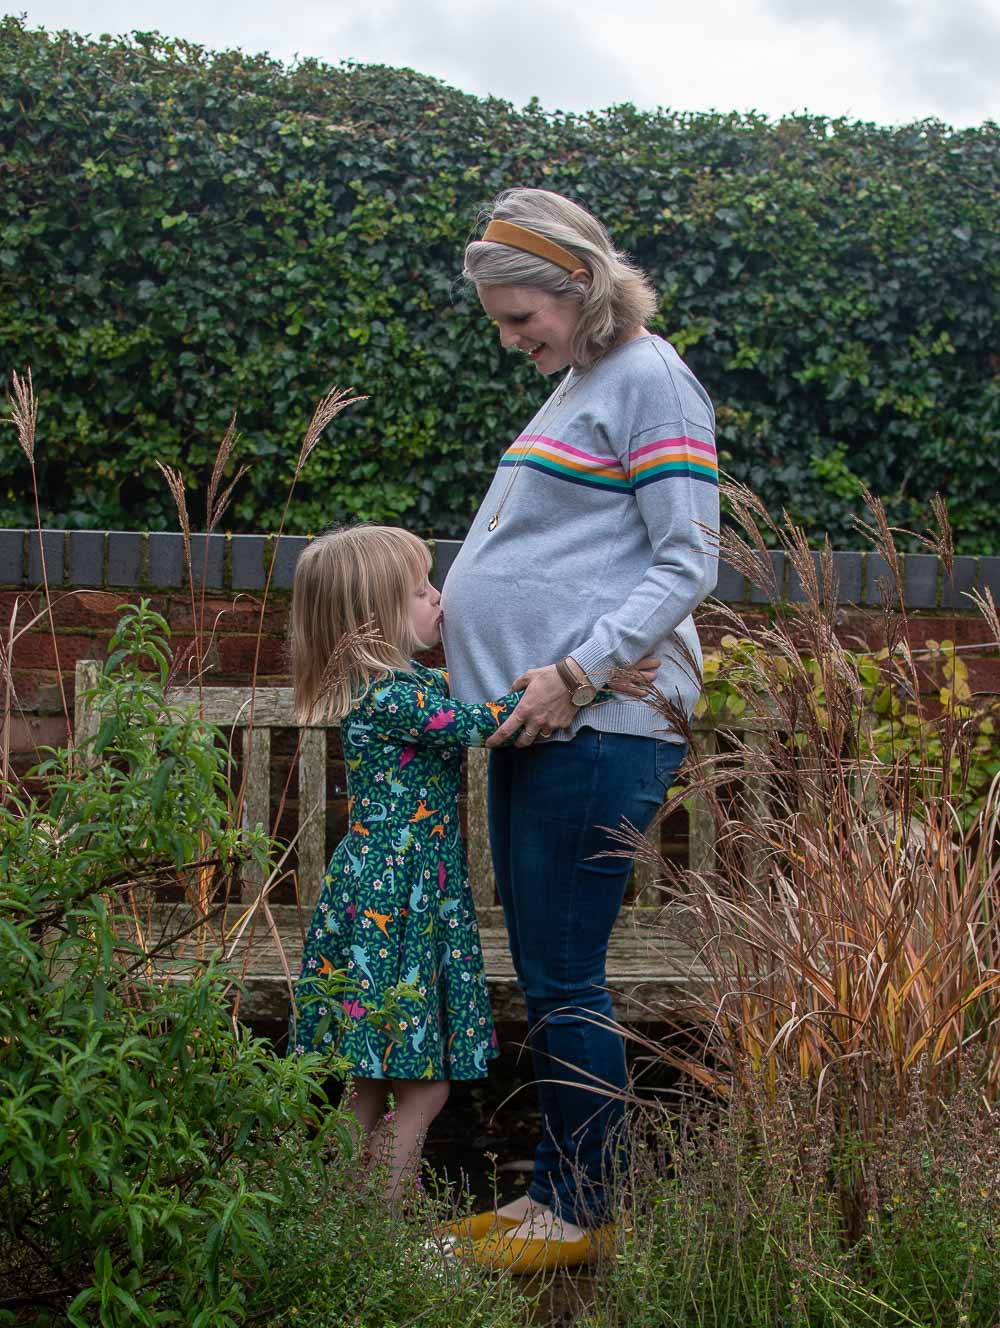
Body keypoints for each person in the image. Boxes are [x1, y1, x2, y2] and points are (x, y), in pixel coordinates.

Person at [440, 187, 719, 1271]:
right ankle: (552, 1191)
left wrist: (571, 669)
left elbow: (687, 557)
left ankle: (579, 1208)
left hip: (595, 723)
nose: (514, 341)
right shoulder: (583, 383)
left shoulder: (650, 378)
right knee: (549, 969)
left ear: (580, 287)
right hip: (545, 726)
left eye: (522, 318)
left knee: (564, 976)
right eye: (502, 323)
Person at [287, 525, 523, 1203]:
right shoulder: (394, 698)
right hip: (403, 903)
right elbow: (486, 724)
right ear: (374, 617)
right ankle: (373, 1235)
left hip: (386, 897)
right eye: (421, 590)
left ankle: (329, 1221)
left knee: (367, 1082)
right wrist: (583, 679)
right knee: (426, 1085)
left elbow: (463, 695)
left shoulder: (399, 686)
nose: (438, 599)